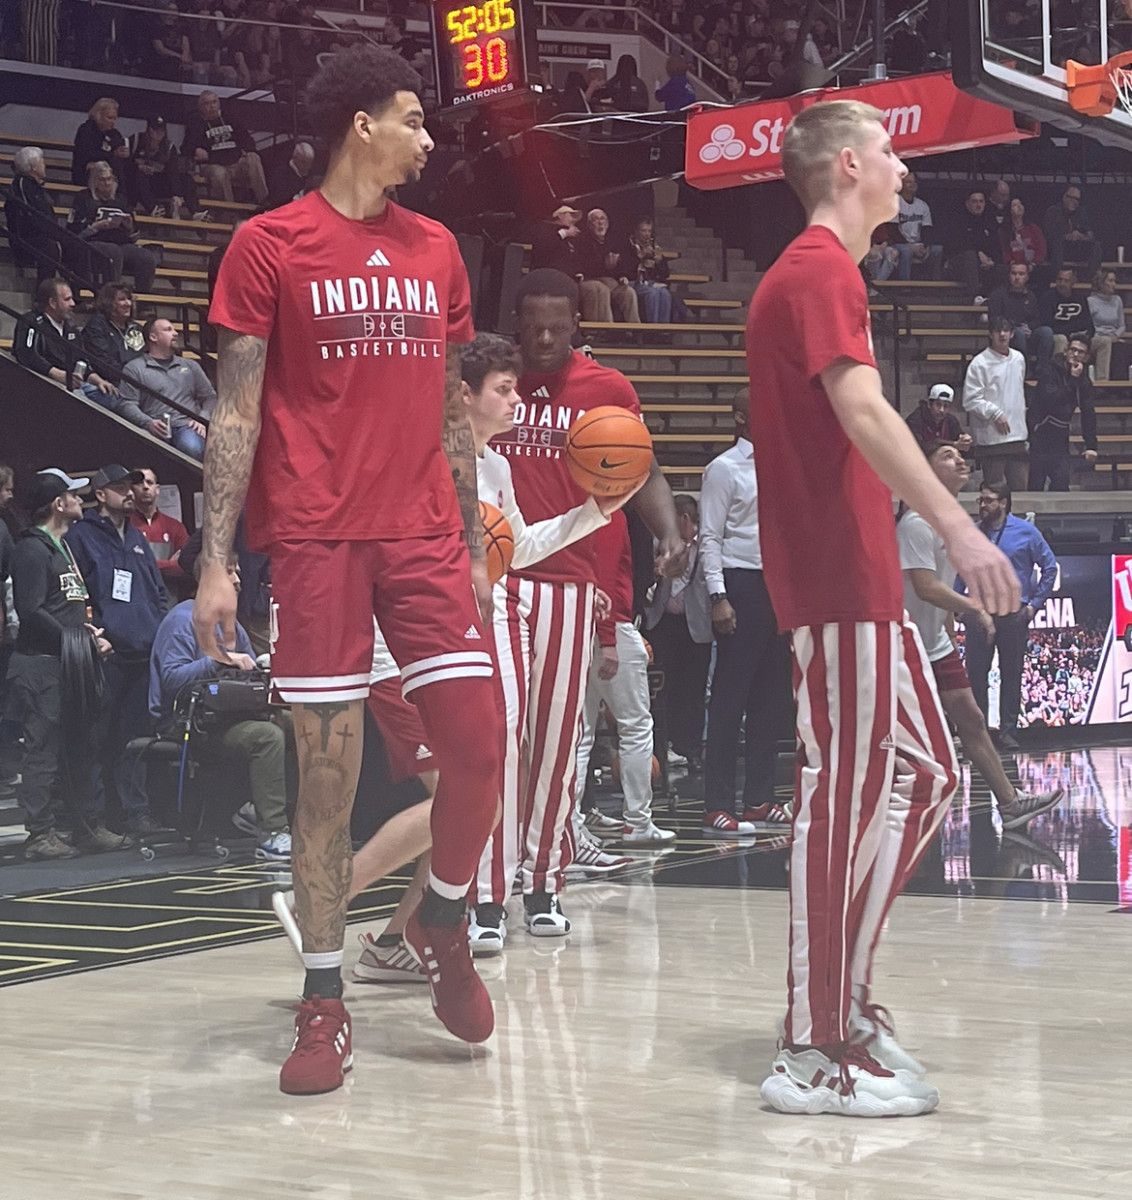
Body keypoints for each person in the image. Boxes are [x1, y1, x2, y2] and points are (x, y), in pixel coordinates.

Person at [197, 44, 504, 1096]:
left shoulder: (438, 250)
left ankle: (441, 921)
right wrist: (215, 566)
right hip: (316, 540)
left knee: (479, 746)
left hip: (422, 537)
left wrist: (467, 539)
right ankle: (323, 1001)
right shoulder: (267, 243)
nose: (428, 139)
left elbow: (454, 413)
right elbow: (235, 411)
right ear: (360, 126)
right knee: (323, 786)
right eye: (414, 120)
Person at [747, 99, 1019, 1117]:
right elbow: (860, 407)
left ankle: (844, 999)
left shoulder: (825, 274)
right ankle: (811, 1045)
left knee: (930, 777)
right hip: (834, 579)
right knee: (845, 801)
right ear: (850, 164)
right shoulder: (819, 270)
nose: (904, 171)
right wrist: (956, 527)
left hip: (857, 583)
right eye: (894, 154)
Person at [472, 270, 686, 948]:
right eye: (531, 325)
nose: (541, 338)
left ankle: (543, 884)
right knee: (498, 737)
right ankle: (486, 891)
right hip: (498, 580)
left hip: (569, 578)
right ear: (515, 319)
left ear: (575, 326)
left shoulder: (608, 390)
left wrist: (669, 534)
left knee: (559, 745)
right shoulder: (491, 387)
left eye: (555, 329)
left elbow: (639, 467)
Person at [897, 442, 1064, 824]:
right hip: (901, 644)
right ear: (927, 467)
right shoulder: (916, 522)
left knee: (971, 718)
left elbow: (938, 585)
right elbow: (925, 587)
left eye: (960, 455)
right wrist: (976, 608)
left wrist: (948, 628)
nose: (960, 459)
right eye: (947, 454)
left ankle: (1009, 803)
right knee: (890, 734)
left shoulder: (949, 519)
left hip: (933, 642)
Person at [6, 470, 134, 859]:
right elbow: (29, 610)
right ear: (59, 505)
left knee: (82, 747)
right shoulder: (30, 550)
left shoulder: (62, 548)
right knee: (43, 752)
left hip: (70, 666)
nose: (82, 500)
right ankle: (40, 834)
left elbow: (65, 607)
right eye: (74, 496)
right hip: (41, 667)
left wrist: (89, 634)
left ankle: (86, 825)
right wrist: (76, 640)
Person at [148, 562, 291, 861]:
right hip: (189, 722)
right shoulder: (182, 620)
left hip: (227, 716)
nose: (239, 580)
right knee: (267, 737)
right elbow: (172, 680)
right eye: (231, 572)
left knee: (296, 724)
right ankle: (272, 832)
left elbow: (250, 669)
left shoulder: (231, 624)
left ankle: (271, 811)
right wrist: (220, 659)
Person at [698, 386, 792, 837]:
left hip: (777, 586)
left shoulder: (783, 464)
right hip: (740, 583)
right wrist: (718, 596)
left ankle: (759, 797)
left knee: (770, 700)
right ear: (740, 417)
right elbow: (710, 537)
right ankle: (716, 802)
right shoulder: (724, 469)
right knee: (730, 700)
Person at [66, 465, 166, 837]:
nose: (130, 492)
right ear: (100, 494)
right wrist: (93, 633)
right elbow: (78, 594)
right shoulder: (82, 537)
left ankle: (134, 812)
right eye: (121, 487)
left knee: (135, 739)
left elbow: (156, 591)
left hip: (142, 653)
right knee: (97, 737)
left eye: (132, 485)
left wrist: (157, 627)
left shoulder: (137, 537)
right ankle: (95, 818)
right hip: (106, 654)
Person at [573, 514, 677, 851]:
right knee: (635, 726)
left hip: (577, 626)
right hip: (611, 628)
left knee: (579, 733)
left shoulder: (579, 509)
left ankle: (569, 826)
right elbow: (602, 577)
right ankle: (637, 822)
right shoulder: (608, 515)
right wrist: (608, 640)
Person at [960, 483, 1056, 752]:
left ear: (1003, 502)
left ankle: (1007, 732)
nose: (982, 505)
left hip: (1013, 613)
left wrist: (1035, 605)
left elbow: (1049, 567)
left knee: (1011, 674)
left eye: (989, 501)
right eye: (981, 500)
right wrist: (957, 602)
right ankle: (979, 736)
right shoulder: (974, 532)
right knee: (976, 675)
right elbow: (960, 569)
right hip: (978, 612)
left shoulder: (1026, 531)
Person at [642, 493, 711, 775]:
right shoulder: (658, 543)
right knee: (661, 692)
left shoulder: (707, 545)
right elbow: (645, 581)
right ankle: (661, 748)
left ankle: (691, 750)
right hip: (662, 623)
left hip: (696, 626)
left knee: (693, 693)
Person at [116, 318, 216, 459]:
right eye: (168, 330)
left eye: (174, 329)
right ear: (153, 337)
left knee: (191, 448)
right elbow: (127, 403)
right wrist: (147, 422)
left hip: (187, 425)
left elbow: (210, 397)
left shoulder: (190, 366)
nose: (175, 333)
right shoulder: (134, 368)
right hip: (154, 424)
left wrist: (202, 418)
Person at [13, 277, 117, 405]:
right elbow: (26, 354)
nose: (73, 303)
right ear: (52, 302)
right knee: (79, 399)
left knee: (111, 397)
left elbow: (81, 361)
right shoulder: (31, 322)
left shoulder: (71, 328)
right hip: (45, 382)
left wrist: (99, 381)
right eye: (67, 299)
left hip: (74, 383)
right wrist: (57, 374)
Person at [67, 162, 158, 295]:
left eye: (109, 179)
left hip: (120, 242)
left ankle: (143, 300)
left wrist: (130, 227)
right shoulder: (83, 198)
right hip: (92, 242)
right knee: (113, 252)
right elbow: (73, 230)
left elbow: (134, 236)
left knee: (146, 257)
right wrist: (95, 227)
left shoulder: (121, 199)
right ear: (94, 181)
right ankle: (111, 297)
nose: (107, 183)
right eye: (102, 179)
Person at [963, 316, 1029, 492]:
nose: (1002, 334)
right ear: (990, 334)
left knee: (1020, 490)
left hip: (1017, 436)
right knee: (995, 492)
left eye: (1006, 330)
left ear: (1012, 334)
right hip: (991, 439)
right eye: (997, 331)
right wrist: (995, 413)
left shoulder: (1019, 359)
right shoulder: (979, 363)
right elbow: (970, 400)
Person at [1028, 333, 1098, 491]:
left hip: (1061, 436)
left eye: (1080, 352)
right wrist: (1072, 380)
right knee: (1035, 484)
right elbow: (1050, 399)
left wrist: (1091, 445)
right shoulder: (1050, 369)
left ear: (1086, 357)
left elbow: (1088, 411)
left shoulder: (1083, 379)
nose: (1075, 354)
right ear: (1066, 351)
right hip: (1040, 432)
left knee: (1061, 483)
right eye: (1073, 350)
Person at [183, 90, 268, 205]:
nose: (211, 106)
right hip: (213, 164)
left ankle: (265, 202)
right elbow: (185, 148)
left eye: (214, 102)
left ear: (219, 103)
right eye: (207, 104)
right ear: (201, 107)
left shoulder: (230, 118)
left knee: (254, 158)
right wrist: (195, 151)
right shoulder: (195, 123)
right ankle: (230, 214)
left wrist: (248, 151)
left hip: (235, 163)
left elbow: (247, 139)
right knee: (219, 174)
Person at [125, 114, 203, 219]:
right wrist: (138, 167)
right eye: (154, 130)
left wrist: (176, 193)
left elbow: (173, 171)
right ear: (149, 130)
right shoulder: (135, 140)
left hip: (158, 183)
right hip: (137, 185)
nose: (158, 133)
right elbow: (124, 165)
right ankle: (152, 209)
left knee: (186, 178)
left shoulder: (169, 148)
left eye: (161, 130)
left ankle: (195, 212)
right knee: (138, 176)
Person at [5, 146, 62, 282]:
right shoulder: (22, 184)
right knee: (50, 248)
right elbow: (29, 215)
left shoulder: (36, 186)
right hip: (26, 238)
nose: (44, 165)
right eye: (42, 162)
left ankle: (80, 291)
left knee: (77, 245)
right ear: (33, 167)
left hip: (43, 234)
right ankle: (43, 295)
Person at [130, 466, 189, 593]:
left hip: (170, 597)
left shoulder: (175, 527)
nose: (145, 487)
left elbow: (186, 565)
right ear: (131, 489)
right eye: (139, 483)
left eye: (149, 482)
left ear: (157, 490)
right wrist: (169, 564)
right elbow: (131, 565)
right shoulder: (126, 526)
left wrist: (146, 564)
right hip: (137, 596)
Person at [577, 208, 640, 323]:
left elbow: (626, 262)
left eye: (602, 219)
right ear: (589, 225)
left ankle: (635, 331)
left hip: (611, 281)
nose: (600, 223)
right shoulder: (582, 241)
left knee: (628, 292)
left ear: (607, 223)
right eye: (596, 220)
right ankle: (606, 329)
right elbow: (583, 265)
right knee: (602, 289)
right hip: (591, 279)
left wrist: (622, 275)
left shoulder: (613, 241)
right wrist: (604, 265)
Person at [619, 217, 685, 324]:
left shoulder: (655, 248)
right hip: (634, 282)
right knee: (652, 294)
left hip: (652, 282)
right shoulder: (627, 246)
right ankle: (652, 327)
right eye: (643, 231)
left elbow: (665, 274)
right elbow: (624, 270)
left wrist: (659, 262)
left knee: (665, 294)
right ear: (636, 231)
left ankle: (663, 330)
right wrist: (639, 257)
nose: (647, 234)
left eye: (649, 231)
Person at [987, 261, 1053, 365]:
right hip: (1008, 335)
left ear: (1027, 277)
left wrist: (1030, 327)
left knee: (1046, 331)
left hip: (1028, 334)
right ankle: (1023, 369)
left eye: (1021, 274)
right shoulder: (998, 295)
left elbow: (1037, 319)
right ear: (1009, 275)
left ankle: (1043, 370)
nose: (1017, 277)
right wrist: (1014, 327)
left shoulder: (1031, 296)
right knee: (1019, 333)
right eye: (1014, 273)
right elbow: (995, 320)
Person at [81, 281, 145, 384]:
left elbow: (145, 357)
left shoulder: (136, 328)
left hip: (139, 382)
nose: (128, 303)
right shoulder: (97, 326)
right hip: (109, 383)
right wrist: (131, 376)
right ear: (109, 303)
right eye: (122, 299)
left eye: (129, 299)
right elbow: (102, 362)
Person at [943, 189, 1001, 302]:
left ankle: (993, 303)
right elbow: (958, 245)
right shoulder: (957, 219)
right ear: (967, 203)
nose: (978, 205)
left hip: (982, 265)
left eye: (981, 201)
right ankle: (974, 299)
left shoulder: (989, 221)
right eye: (974, 201)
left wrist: (991, 260)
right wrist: (979, 254)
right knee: (970, 256)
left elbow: (995, 246)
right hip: (955, 264)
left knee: (1002, 269)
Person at [1042, 185, 1102, 275]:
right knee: (1057, 245)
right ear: (1064, 197)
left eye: (1077, 199)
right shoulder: (1053, 211)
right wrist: (1067, 236)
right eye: (1071, 198)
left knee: (1097, 246)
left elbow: (1091, 235)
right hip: (1058, 249)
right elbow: (1048, 235)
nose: (1074, 201)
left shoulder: (1081, 212)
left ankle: (1092, 278)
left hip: (1076, 248)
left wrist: (1082, 236)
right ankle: (1059, 277)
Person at [71, 97, 129, 186]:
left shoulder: (114, 134)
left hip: (111, 172)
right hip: (86, 172)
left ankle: (122, 197)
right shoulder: (86, 130)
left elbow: (118, 152)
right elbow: (87, 154)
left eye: (115, 118)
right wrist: (112, 154)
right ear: (98, 115)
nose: (113, 122)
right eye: (109, 118)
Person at [893, 171, 941, 280]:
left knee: (937, 250)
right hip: (899, 243)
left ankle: (931, 284)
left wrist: (925, 245)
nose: (913, 184)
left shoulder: (922, 205)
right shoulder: (895, 202)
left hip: (918, 243)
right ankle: (904, 286)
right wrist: (909, 245)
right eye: (909, 182)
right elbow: (892, 230)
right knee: (906, 251)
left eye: (914, 182)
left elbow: (927, 228)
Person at [1039, 266, 1094, 356]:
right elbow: (1048, 325)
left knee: (1103, 341)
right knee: (1061, 339)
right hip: (1058, 336)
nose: (1062, 283)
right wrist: (1070, 332)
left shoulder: (1080, 298)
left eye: (1066, 280)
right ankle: (1059, 369)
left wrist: (1086, 335)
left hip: (1078, 336)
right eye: (1060, 280)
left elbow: (1088, 324)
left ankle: (1103, 371)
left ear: (1073, 282)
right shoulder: (1047, 297)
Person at [905, 382, 972, 452]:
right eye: (938, 404)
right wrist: (953, 444)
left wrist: (965, 440)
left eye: (945, 406)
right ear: (930, 405)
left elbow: (959, 437)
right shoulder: (915, 420)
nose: (941, 410)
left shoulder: (951, 421)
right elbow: (921, 446)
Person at [1086, 268, 1126, 381]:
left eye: (1115, 281)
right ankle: (1102, 382)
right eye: (1111, 281)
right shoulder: (1091, 301)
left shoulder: (1117, 300)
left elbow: (1122, 325)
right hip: (1096, 338)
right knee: (1105, 343)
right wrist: (1103, 337)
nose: (1114, 284)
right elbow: (1088, 325)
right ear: (1101, 283)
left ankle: (1120, 387)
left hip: (1113, 337)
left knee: (1122, 348)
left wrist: (1116, 336)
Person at [1001, 198, 1049, 288]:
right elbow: (1005, 251)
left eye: (1020, 204)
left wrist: (1033, 264)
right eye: (1014, 205)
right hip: (1014, 267)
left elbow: (1041, 248)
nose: (1018, 207)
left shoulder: (1033, 228)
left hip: (1033, 266)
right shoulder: (1005, 231)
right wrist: (1012, 264)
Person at [266, 140, 316, 208]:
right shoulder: (280, 175)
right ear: (295, 158)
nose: (308, 167)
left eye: (310, 163)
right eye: (304, 162)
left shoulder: (311, 176)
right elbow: (278, 200)